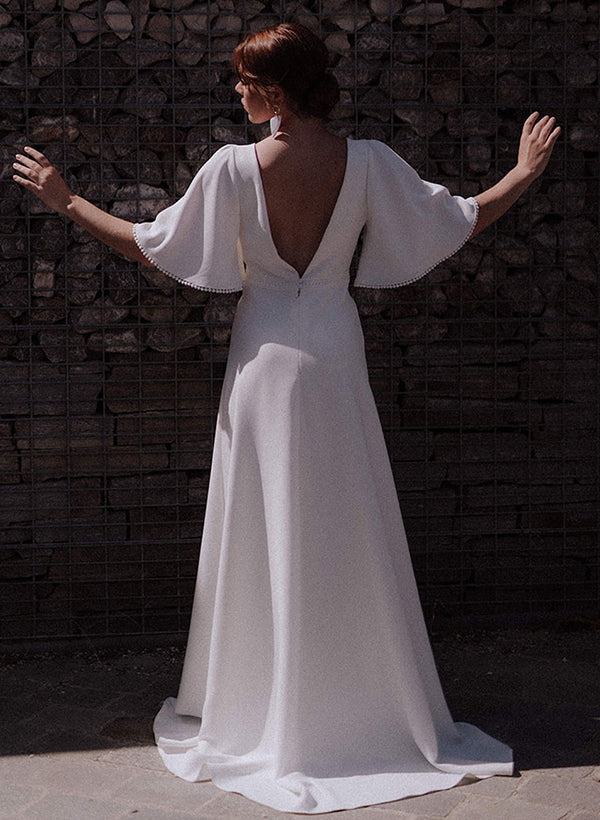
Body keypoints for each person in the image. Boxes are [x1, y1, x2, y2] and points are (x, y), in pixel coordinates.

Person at [14, 22, 560, 816]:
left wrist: (66, 200)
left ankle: (259, 705)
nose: (236, 92)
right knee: (346, 518)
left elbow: (149, 244)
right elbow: (460, 219)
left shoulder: (234, 168)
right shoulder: (368, 162)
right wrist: (522, 173)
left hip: (265, 358)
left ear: (274, 90)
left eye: (244, 81)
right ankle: (358, 704)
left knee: (262, 521)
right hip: (333, 350)